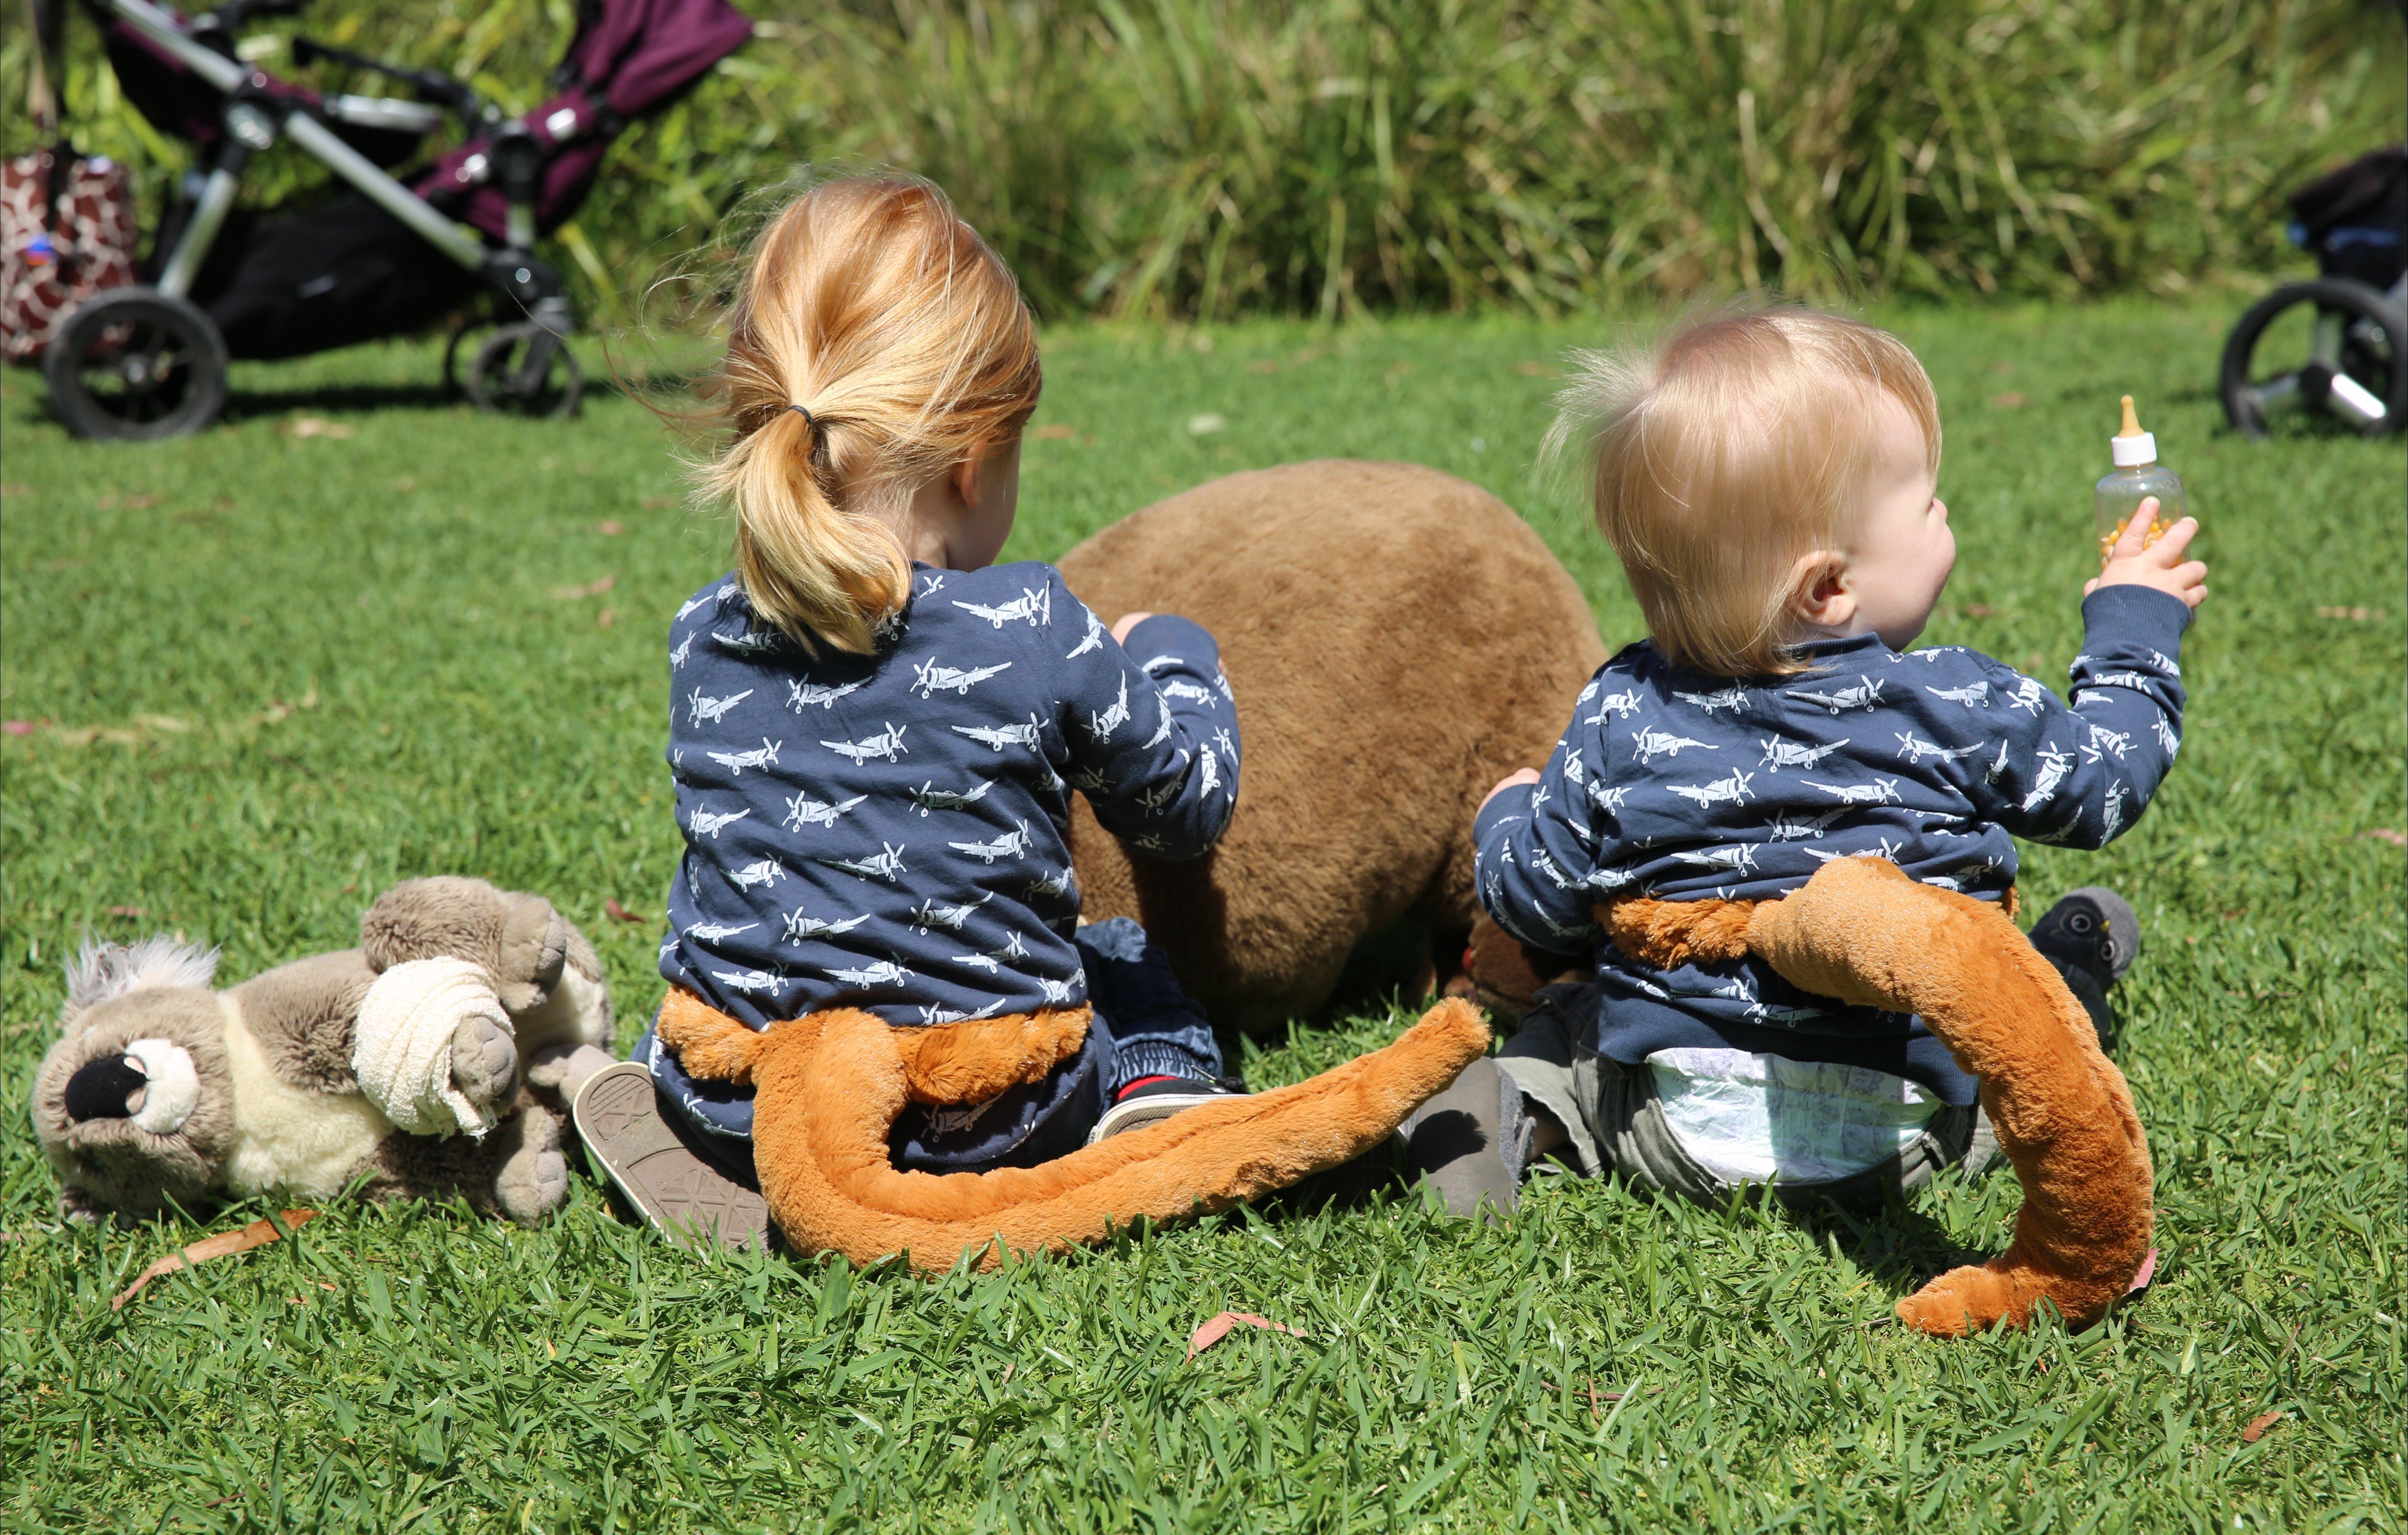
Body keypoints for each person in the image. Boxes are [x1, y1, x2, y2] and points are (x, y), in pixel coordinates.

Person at [1407, 303, 2204, 1220]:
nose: (1945, 506)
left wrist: (1505, 814)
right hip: (1907, 1136)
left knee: (1566, 1026)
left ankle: (1523, 1113)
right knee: (2024, 1009)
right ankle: (2076, 975)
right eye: (1926, 499)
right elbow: (2102, 784)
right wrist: (2134, 623)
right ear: (1828, 588)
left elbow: (1536, 907)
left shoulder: (1622, 706)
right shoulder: (1952, 703)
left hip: (1668, 1132)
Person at [575, 176, 1244, 1247]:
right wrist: (1174, 658)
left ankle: (744, 1174)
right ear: (975, 466)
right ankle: (1157, 1093)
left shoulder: (700, 631)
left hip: (734, 1098)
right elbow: (1183, 813)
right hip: (990, 1115)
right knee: (1120, 948)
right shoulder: (1034, 622)